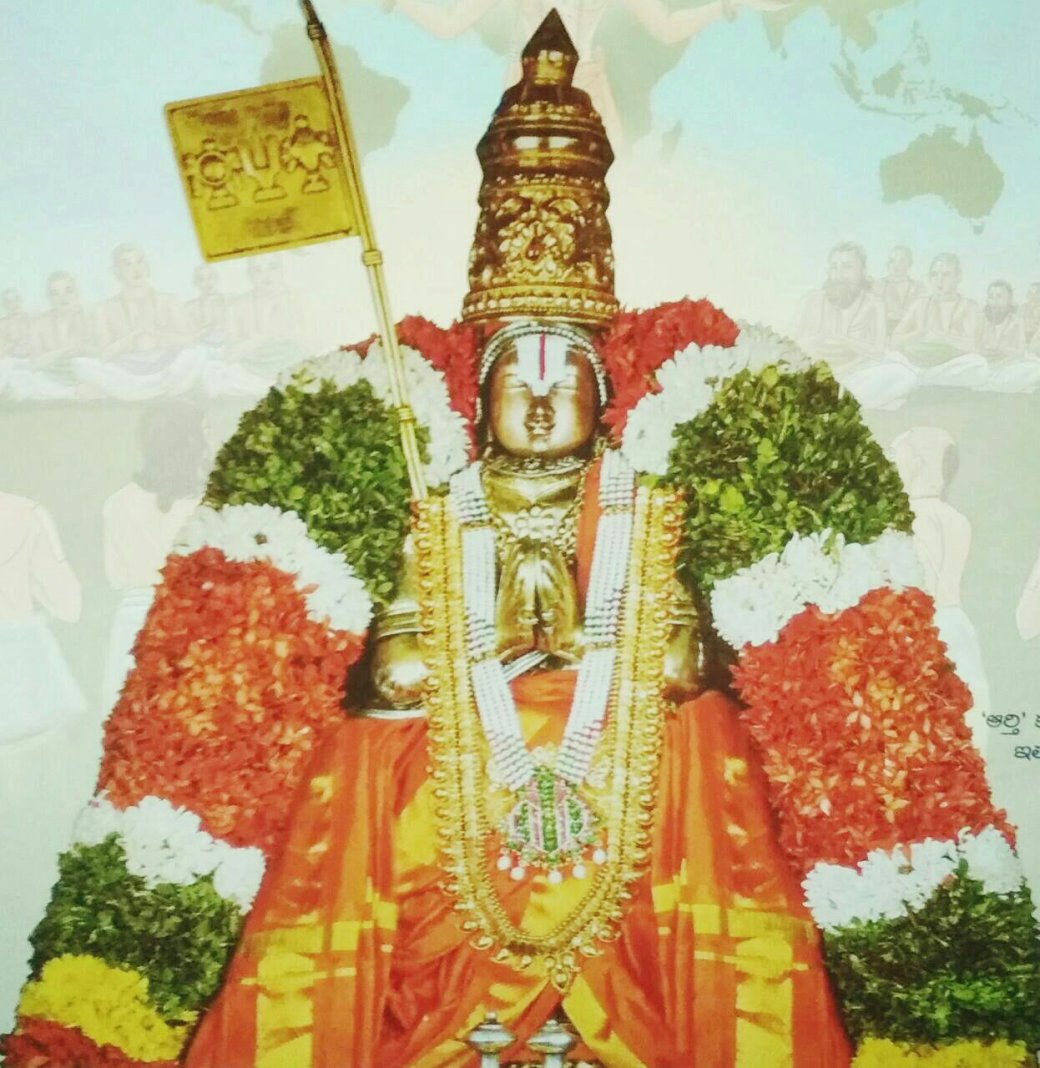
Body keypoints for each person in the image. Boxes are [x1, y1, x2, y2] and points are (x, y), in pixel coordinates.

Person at [7, 13, 1039, 1068]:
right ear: (480, 391)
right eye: (518, 379)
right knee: (369, 776)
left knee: (701, 759)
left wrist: (596, 650)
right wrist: (475, 644)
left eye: (564, 381)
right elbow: (390, 669)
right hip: (448, 772)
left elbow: (687, 659)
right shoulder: (436, 496)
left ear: (603, 396)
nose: (541, 403)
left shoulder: (646, 501)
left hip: (629, 771)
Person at [101, 401, 211, 714]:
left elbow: (115, 575)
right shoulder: (207, 504)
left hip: (133, 622)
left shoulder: (117, 503)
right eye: (206, 432)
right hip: (192, 624)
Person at [792, 241, 887, 370]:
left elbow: (879, 351)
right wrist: (816, 340)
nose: (839, 274)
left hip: (859, 371)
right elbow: (789, 342)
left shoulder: (875, 304)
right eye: (834, 267)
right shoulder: (810, 301)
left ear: (863, 271)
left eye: (847, 267)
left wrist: (847, 343)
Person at [873, 244, 925, 338]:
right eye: (892, 261)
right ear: (887, 264)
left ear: (910, 263)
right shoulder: (880, 285)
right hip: (883, 333)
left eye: (902, 260)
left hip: (911, 335)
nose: (896, 265)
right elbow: (875, 314)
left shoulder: (918, 287)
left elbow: (921, 316)